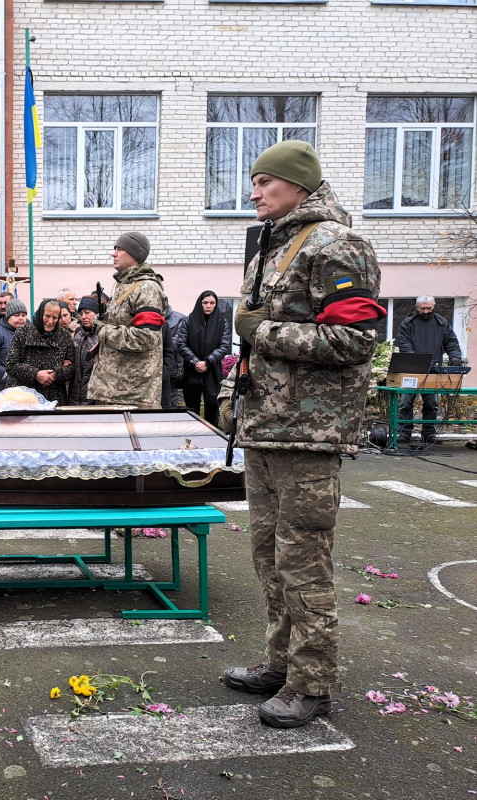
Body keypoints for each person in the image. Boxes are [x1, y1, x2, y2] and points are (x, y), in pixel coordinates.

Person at [217, 140, 385, 729]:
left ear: (299, 186)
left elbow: (354, 342)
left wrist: (263, 333)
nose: (255, 192)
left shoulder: (336, 244)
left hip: (310, 435)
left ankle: (311, 684)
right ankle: (281, 664)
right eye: (255, 182)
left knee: (303, 560)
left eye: (266, 182)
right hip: (270, 427)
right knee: (269, 556)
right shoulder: (279, 244)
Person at [86, 232, 167, 408]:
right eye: (114, 249)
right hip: (114, 390)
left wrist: (103, 330)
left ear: (134, 255)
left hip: (132, 395)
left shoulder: (147, 289)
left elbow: (147, 338)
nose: (114, 253)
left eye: (120, 249)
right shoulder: (124, 285)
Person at [395, 295, 462, 446]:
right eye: (423, 308)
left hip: (433, 371)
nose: (426, 311)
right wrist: (415, 361)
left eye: (429, 308)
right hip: (412, 370)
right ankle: (403, 433)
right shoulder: (408, 323)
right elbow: (404, 343)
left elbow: (451, 342)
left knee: (432, 403)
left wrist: (455, 358)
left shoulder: (441, 323)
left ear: (434, 306)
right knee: (406, 403)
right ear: (416, 307)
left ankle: (429, 434)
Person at [5, 298, 74, 404]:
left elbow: (72, 367)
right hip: (24, 396)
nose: (50, 321)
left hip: (54, 397)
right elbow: (11, 365)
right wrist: (35, 374)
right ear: (41, 313)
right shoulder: (23, 333)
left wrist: (56, 373)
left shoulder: (64, 336)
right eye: (47, 316)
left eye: (55, 317)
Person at [176, 291, 232, 422]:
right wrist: (196, 362)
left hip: (212, 371)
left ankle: (212, 437)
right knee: (191, 408)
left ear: (216, 304)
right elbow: (182, 344)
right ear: (199, 304)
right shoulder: (188, 321)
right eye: (205, 303)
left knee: (212, 406)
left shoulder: (222, 322)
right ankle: (191, 438)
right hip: (192, 370)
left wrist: (207, 362)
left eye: (212, 303)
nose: (208, 306)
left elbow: (224, 346)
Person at [69, 296, 100, 405]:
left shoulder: (103, 336)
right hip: (75, 396)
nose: (83, 317)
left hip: (95, 396)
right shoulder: (78, 335)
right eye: (81, 314)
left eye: (87, 313)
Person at [163, 302, 187, 406]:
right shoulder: (147, 317)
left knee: (170, 403)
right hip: (150, 368)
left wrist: (156, 345)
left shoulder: (180, 319)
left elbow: (177, 342)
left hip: (171, 366)